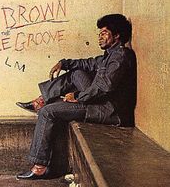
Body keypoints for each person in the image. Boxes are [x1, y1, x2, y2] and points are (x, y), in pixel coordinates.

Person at [16, 14, 136, 180]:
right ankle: (40, 100)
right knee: (77, 73)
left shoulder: (120, 57)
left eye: (105, 33)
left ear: (117, 36)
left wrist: (78, 96)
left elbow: (104, 88)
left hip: (108, 110)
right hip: (101, 102)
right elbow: (87, 64)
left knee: (47, 112)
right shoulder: (109, 55)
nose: (100, 36)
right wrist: (64, 63)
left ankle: (39, 167)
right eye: (99, 33)